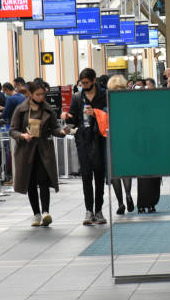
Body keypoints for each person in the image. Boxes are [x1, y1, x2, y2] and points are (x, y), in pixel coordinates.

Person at [10, 80, 67, 227]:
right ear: (30, 94)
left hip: (43, 149)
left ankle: (46, 212)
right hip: (26, 151)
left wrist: (61, 132)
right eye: (38, 94)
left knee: (43, 180)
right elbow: (12, 130)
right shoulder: (21, 109)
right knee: (30, 183)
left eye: (43, 94)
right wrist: (22, 136)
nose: (41, 97)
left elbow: (54, 128)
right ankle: (36, 214)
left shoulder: (48, 109)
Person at [63, 68, 108, 225]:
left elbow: (111, 116)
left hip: (100, 139)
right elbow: (73, 119)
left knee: (100, 175)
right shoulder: (77, 97)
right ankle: (89, 210)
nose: (84, 86)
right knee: (87, 176)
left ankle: (99, 210)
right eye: (82, 83)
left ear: (94, 80)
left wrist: (96, 114)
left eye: (87, 83)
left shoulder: (104, 95)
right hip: (83, 140)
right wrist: (67, 121)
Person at [106, 75, 134, 215]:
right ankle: (128, 193)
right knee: (126, 169)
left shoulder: (109, 99)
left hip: (113, 137)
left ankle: (120, 203)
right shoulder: (130, 98)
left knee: (115, 173)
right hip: (128, 137)